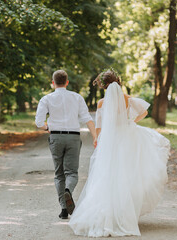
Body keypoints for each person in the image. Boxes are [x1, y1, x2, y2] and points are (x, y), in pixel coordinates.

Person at [69, 69, 170, 237]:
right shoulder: (127, 99)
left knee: (108, 175)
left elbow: (100, 126)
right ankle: (124, 214)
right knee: (128, 175)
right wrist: (130, 121)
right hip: (127, 138)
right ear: (118, 81)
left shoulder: (102, 103)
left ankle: (108, 213)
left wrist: (98, 140)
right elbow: (144, 112)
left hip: (111, 141)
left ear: (104, 84)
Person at [35, 70, 97, 220]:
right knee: (72, 173)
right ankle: (68, 190)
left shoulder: (46, 99)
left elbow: (38, 123)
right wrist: (96, 137)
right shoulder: (77, 97)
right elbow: (87, 119)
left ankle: (64, 208)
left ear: (53, 83)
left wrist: (48, 128)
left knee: (59, 174)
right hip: (73, 137)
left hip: (55, 137)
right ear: (67, 82)